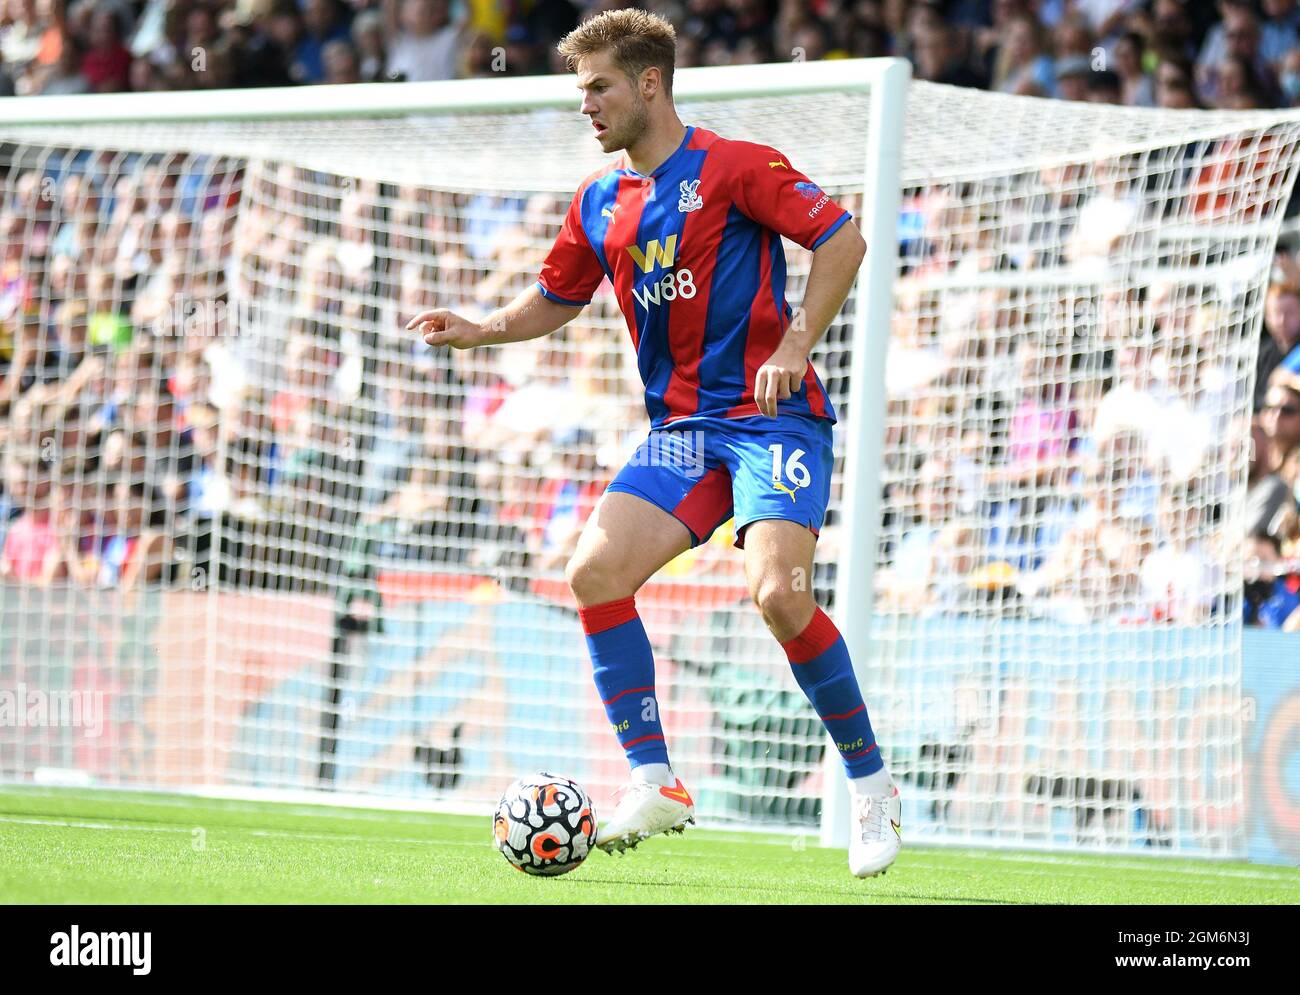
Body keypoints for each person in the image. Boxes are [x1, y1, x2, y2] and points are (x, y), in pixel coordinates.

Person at [406, 8, 900, 878]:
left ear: (649, 84)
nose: (586, 105)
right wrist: (482, 330)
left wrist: (795, 345)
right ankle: (655, 778)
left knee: (779, 593)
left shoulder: (736, 167)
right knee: (593, 572)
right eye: (580, 90)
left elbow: (843, 237)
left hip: (768, 423)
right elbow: (559, 294)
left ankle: (869, 786)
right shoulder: (600, 199)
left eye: (599, 87)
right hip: (680, 436)